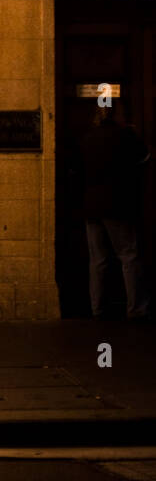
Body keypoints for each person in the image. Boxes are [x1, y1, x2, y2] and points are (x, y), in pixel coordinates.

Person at [81, 101, 150, 320]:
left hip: (92, 206)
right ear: (116, 114)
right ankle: (136, 308)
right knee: (128, 255)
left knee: (97, 261)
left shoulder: (87, 138)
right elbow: (144, 158)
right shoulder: (124, 136)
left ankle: (97, 309)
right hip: (118, 204)